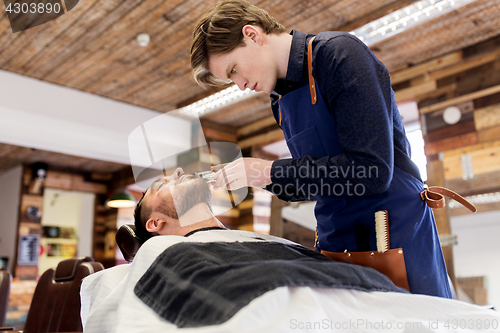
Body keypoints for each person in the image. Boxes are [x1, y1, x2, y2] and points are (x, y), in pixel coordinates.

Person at [189, 0, 452, 298]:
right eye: (230, 79)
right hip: (336, 238)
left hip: (391, 232)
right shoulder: (279, 99)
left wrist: (268, 171)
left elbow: (372, 171)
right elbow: (320, 181)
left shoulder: (339, 54)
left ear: (252, 34)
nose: (239, 85)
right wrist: (265, 178)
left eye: (234, 69)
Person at [134, 168, 226, 242]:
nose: (179, 171)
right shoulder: (181, 260)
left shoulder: (238, 239)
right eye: (161, 185)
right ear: (155, 223)